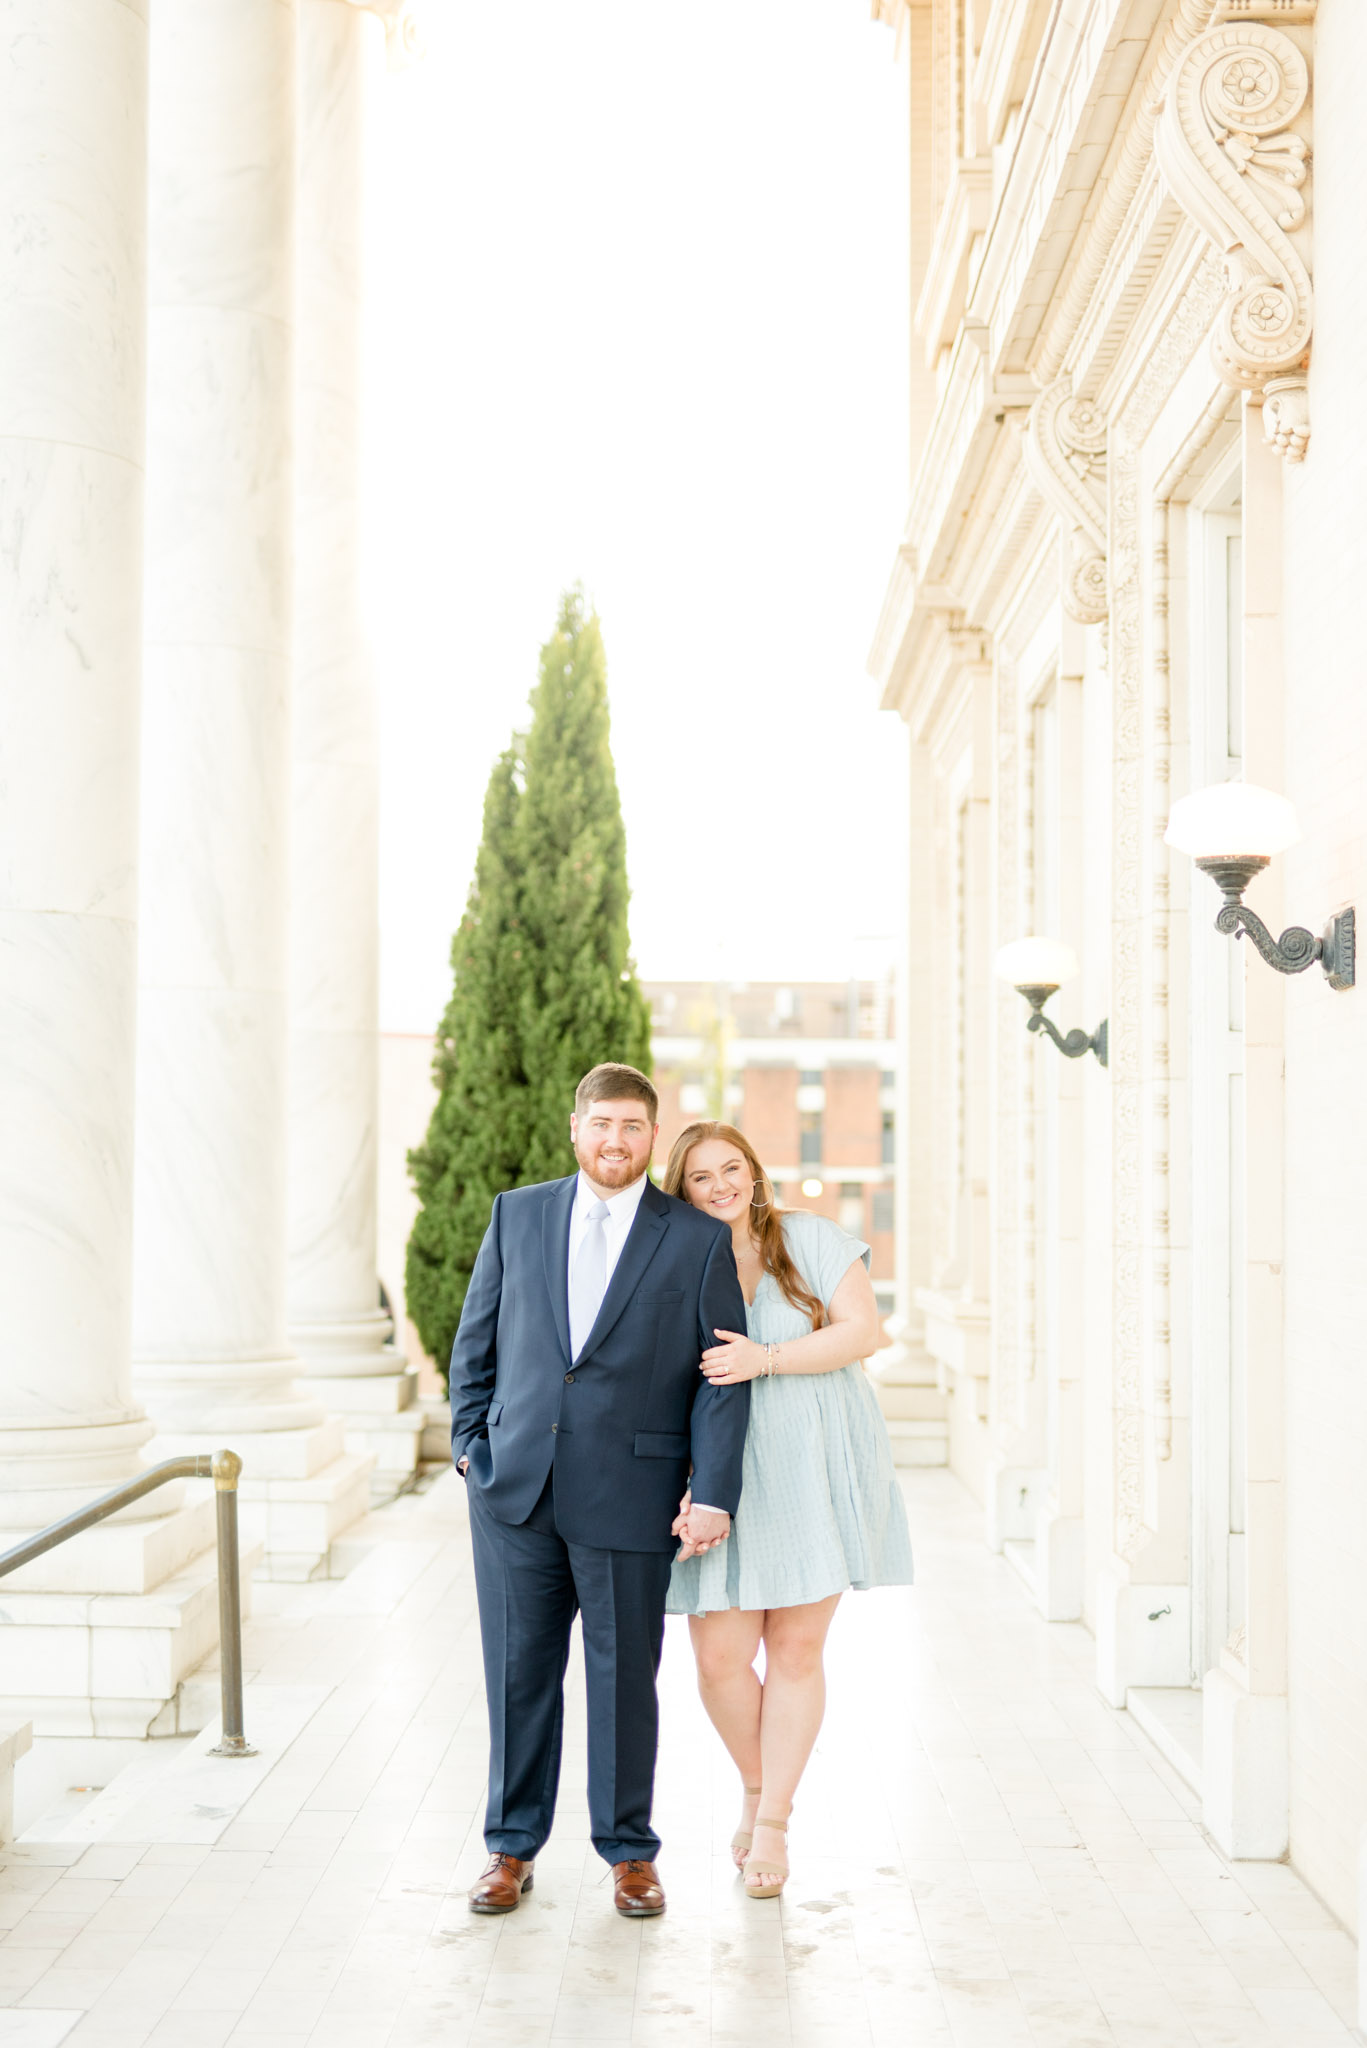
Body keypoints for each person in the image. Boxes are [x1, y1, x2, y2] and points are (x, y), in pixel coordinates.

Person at [449, 1064, 750, 1920]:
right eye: (601, 1124)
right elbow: (475, 1340)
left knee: (624, 1682)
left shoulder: (693, 1238)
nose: (614, 1140)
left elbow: (720, 1380)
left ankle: (628, 1854)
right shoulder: (519, 1214)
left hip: (631, 1493)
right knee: (517, 1676)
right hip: (514, 1494)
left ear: (652, 1137)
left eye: (631, 1126)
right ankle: (509, 1849)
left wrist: (715, 1492)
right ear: (575, 1128)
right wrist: (469, 1448)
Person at [663, 1121, 913, 1900]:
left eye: (731, 1169)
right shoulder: (671, 1259)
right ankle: (754, 1784)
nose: (720, 1187)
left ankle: (770, 1820)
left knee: (796, 1652)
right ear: (681, 1190)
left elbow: (863, 1333)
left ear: (754, 1173)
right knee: (719, 1659)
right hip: (724, 1472)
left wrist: (763, 1359)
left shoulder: (807, 1238)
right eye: (700, 1177)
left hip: (814, 1459)